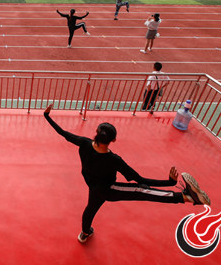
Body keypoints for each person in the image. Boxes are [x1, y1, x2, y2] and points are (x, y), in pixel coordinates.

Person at [43, 104, 211, 244]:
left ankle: (85, 233)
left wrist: (47, 116)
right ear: (113, 140)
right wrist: (168, 182)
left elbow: (62, 132)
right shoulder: (114, 160)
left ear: (96, 133)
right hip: (109, 189)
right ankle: (187, 198)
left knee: (90, 210)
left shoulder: (84, 143)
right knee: (142, 190)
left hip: (93, 188)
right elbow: (140, 180)